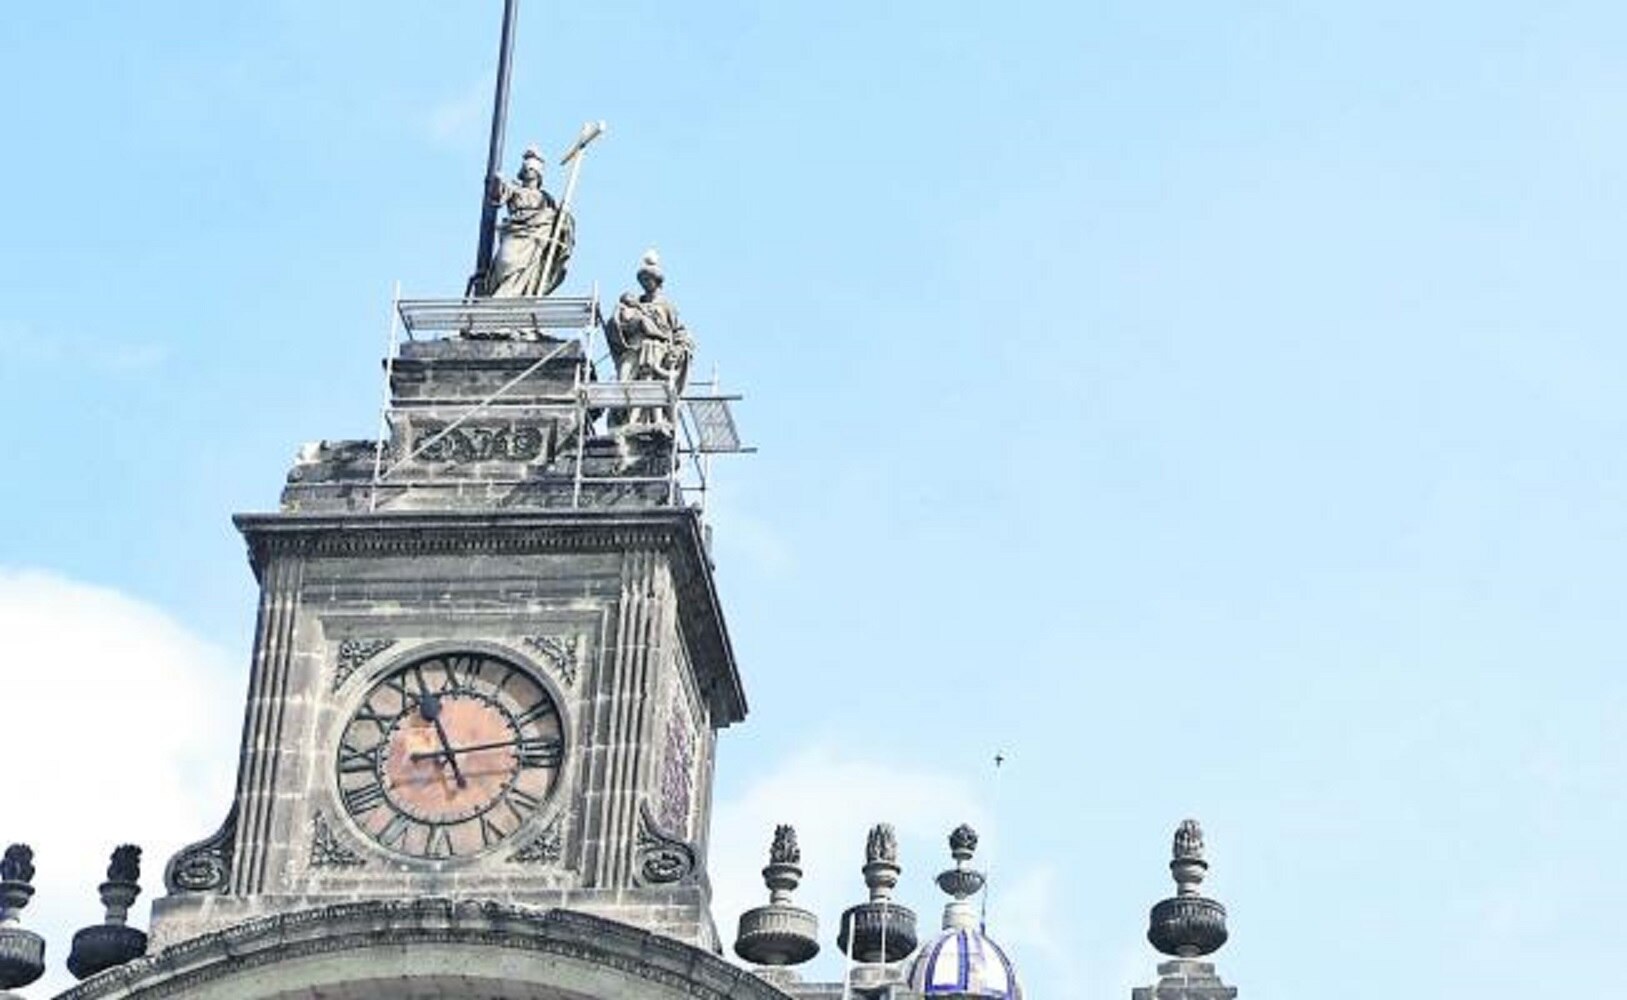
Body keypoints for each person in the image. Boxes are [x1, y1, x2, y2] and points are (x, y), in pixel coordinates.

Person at [604, 251, 694, 427]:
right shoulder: (632, 305)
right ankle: (626, 419)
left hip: (655, 350)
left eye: (648, 280)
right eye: (642, 281)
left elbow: (679, 332)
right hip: (632, 349)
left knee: (649, 384)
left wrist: (679, 349)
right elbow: (615, 327)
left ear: (657, 282)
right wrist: (621, 317)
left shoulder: (667, 306)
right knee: (623, 383)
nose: (645, 284)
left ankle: (640, 421)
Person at [480, 147, 574, 297]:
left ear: (539, 174)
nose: (530, 171)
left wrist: (563, 214)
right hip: (515, 233)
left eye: (533, 169)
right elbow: (497, 196)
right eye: (527, 168)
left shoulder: (546, 197)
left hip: (536, 239)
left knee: (527, 270)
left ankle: (514, 295)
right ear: (522, 172)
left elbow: (558, 221)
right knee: (506, 260)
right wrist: (497, 180)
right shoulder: (515, 189)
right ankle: (504, 293)